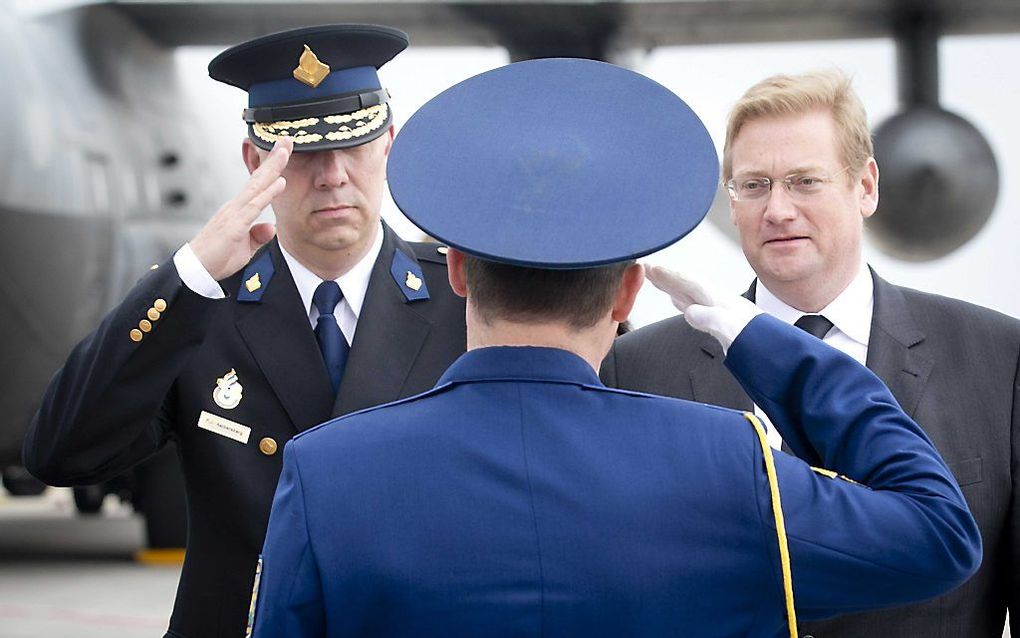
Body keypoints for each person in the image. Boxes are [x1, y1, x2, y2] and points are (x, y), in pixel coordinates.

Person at [250, 58, 980, 637]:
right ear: (629, 293)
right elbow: (941, 534)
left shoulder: (327, 476)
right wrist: (767, 344)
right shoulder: (727, 465)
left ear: (460, 271)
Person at [22, 25, 465, 638]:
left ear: (388, 142)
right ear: (254, 162)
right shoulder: (200, 309)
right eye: (301, 153)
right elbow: (62, 453)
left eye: (354, 143)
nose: (333, 175)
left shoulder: (463, 305)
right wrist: (187, 279)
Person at [602, 69, 1020, 637]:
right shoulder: (640, 366)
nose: (777, 210)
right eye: (753, 186)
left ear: (866, 187)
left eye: (804, 181)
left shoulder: (997, 357)